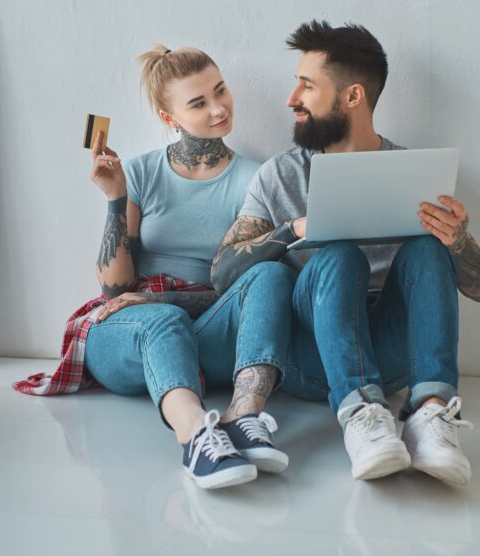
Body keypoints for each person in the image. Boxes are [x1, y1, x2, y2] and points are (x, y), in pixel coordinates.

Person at [210, 21, 480, 484]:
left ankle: (430, 416)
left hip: (389, 355)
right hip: (310, 356)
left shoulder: (416, 173)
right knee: (340, 255)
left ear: (352, 96)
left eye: (306, 85)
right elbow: (222, 275)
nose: (291, 99)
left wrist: (457, 242)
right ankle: (361, 417)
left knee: (427, 248)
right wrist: (293, 229)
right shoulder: (278, 176)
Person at [21, 45, 294, 490]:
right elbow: (116, 290)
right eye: (198, 103)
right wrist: (114, 199)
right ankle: (197, 438)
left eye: (220, 91)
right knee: (162, 320)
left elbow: (239, 285)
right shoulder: (141, 172)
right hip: (132, 328)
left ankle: (243, 419)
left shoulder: (255, 178)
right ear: (170, 118)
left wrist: (163, 297)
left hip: (205, 321)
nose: (219, 108)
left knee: (273, 273)